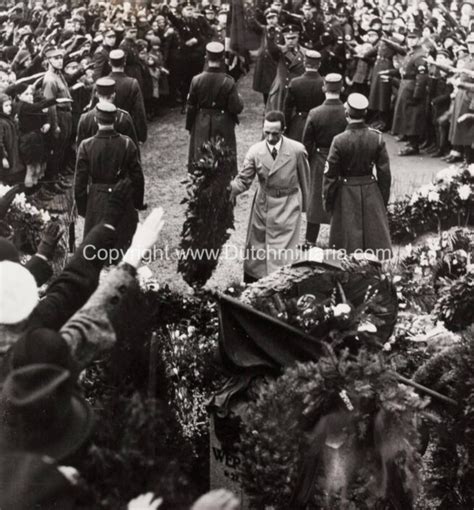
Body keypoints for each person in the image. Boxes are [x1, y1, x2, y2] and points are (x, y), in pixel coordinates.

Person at [230, 110, 310, 283]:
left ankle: (284, 287)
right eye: (267, 133)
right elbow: (243, 181)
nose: (270, 137)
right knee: (258, 249)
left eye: (275, 133)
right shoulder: (255, 151)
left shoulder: (297, 150)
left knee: (284, 252)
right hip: (263, 205)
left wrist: (305, 209)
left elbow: (305, 180)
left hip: (288, 206)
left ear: (283, 130)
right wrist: (224, 191)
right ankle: (257, 285)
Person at [323, 93, 392, 259]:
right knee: (373, 241)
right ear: (365, 114)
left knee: (347, 244)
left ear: (347, 115)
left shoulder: (339, 140)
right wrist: (382, 200)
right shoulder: (376, 138)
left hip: (346, 192)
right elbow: (384, 174)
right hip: (371, 191)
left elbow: (330, 176)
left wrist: (328, 201)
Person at [75, 102, 145, 253]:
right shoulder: (127, 143)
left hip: (96, 200)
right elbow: (137, 177)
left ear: (96, 120)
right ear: (115, 120)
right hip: (122, 198)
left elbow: (80, 183)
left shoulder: (86, 146)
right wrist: (137, 202)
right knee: (124, 248)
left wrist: (83, 208)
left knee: (97, 249)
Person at [302, 73, 347, 246]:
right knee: (339, 197)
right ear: (342, 89)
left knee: (315, 198)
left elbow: (306, 142)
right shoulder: (347, 112)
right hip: (341, 160)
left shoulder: (315, 113)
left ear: (323, 88)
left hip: (320, 158)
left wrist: (312, 158)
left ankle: (309, 240)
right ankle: (338, 241)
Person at [186, 41, 243, 169]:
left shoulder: (196, 80)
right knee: (223, 157)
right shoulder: (228, 81)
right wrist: (240, 100)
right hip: (223, 123)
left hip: (201, 122)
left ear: (206, 57)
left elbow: (191, 107)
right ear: (222, 58)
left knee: (200, 157)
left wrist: (190, 126)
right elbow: (236, 107)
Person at [391, 28, 429, 156]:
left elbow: (422, 76)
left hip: (412, 86)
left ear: (419, 39)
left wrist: (417, 93)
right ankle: (411, 142)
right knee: (407, 115)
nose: (411, 40)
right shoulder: (412, 53)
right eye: (409, 38)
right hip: (406, 85)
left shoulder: (420, 55)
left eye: (414, 38)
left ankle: (414, 145)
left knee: (412, 117)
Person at [41, 46, 74, 195]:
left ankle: (57, 177)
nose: (60, 61)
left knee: (62, 148)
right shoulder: (49, 79)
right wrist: (55, 125)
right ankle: (51, 181)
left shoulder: (58, 75)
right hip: (58, 115)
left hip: (66, 113)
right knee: (56, 149)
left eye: (61, 58)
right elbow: (50, 104)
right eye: (56, 58)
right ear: (48, 60)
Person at [76, 77, 139, 150]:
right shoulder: (123, 117)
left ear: (96, 94)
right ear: (114, 95)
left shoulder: (85, 118)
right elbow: (133, 149)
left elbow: (80, 149)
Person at [107, 49, 147, 144]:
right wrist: (141, 135)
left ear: (109, 63)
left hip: (106, 128)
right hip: (127, 129)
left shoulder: (102, 83)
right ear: (124, 62)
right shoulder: (132, 83)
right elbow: (139, 111)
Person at [284, 49, 325, 142]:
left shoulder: (295, 82)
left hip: (299, 124)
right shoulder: (324, 83)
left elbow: (287, 108)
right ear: (319, 65)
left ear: (304, 63)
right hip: (318, 124)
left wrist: (287, 126)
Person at [265, 24, 306, 113]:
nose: (290, 41)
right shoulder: (280, 51)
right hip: (282, 90)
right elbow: (272, 49)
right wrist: (270, 38)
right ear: (284, 38)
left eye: (293, 38)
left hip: (297, 91)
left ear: (298, 37)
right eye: (288, 38)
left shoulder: (305, 53)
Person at [251, 8, 283, 106]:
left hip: (275, 65)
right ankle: (267, 114)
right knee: (266, 93)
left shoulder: (282, 31)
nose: (271, 20)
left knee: (276, 93)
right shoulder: (264, 30)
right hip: (264, 66)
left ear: (277, 18)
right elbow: (253, 24)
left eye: (273, 17)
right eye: (269, 18)